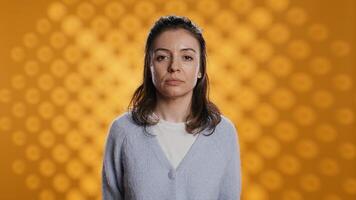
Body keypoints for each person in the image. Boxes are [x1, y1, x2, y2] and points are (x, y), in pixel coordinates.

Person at [102, 15, 241, 200]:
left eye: (187, 57)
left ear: (200, 68)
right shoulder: (123, 131)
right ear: (149, 66)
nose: (174, 67)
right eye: (162, 57)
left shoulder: (223, 133)